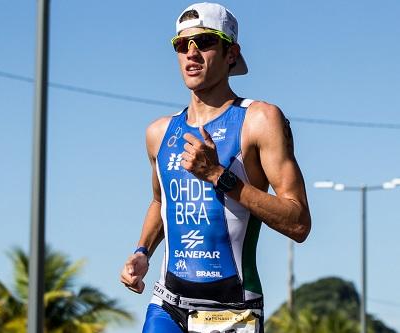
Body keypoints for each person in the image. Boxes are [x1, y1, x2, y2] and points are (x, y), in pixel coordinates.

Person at [120, 3, 311, 333]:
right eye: (182, 45)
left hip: (232, 309)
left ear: (231, 53)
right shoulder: (159, 133)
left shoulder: (259, 120)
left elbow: (298, 223)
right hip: (167, 303)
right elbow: (160, 202)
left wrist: (219, 176)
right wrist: (142, 252)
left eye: (205, 42)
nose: (191, 54)